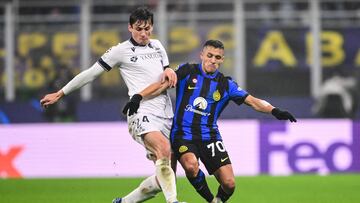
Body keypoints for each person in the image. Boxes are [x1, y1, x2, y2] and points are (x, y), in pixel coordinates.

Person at [40, 6, 185, 203]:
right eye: (139, 28)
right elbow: (91, 73)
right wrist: (60, 92)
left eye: (147, 28)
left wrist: (169, 69)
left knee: (165, 176)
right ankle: (173, 202)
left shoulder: (158, 46)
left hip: (166, 113)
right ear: (130, 28)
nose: (144, 33)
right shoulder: (120, 51)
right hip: (140, 111)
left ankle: (125, 202)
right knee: (163, 149)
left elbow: (165, 71)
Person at [123, 40, 297, 203]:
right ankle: (211, 200)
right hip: (183, 134)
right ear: (202, 55)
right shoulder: (186, 71)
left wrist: (275, 111)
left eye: (218, 57)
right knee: (191, 166)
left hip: (210, 137)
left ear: (222, 60)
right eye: (210, 56)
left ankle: (217, 200)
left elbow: (253, 101)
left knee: (229, 184)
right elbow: (162, 85)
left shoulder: (226, 84)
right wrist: (138, 96)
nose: (213, 60)